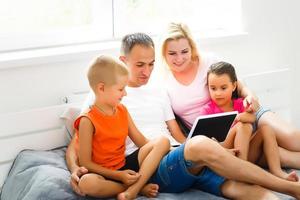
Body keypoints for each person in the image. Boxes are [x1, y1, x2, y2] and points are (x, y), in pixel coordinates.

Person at [67, 33, 300, 200]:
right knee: (198, 146)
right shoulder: (103, 96)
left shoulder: (160, 89)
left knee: (238, 188)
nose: (146, 71)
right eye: (140, 65)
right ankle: (288, 186)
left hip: (180, 157)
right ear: (123, 61)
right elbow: (75, 146)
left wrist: (209, 148)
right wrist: (74, 169)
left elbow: (176, 133)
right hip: (155, 167)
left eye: (151, 64)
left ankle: (281, 194)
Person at [160, 22, 300, 169]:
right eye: (172, 53)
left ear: (192, 48)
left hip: (244, 113)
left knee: (294, 140)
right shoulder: (164, 82)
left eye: (184, 51)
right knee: (282, 156)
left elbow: (238, 84)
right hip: (218, 137)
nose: (179, 58)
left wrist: (251, 96)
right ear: (164, 53)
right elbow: (174, 127)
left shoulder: (208, 61)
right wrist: (189, 148)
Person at [74, 55, 170, 199]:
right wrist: (118, 175)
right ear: (101, 88)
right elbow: (85, 162)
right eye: (120, 89)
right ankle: (138, 188)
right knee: (86, 183)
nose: (125, 93)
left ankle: (133, 189)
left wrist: (169, 150)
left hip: (124, 165)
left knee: (163, 140)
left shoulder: (122, 110)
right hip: (103, 173)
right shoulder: (87, 120)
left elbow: (142, 142)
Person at [202, 61, 298, 181]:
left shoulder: (240, 103)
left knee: (266, 129)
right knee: (243, 126)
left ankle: (277, 171)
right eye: (213, 88)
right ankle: (241, 173)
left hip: (247, 152)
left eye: (223, 88)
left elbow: (252, 118)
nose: (218, 93)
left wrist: (236, 117)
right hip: (226, 153)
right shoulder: (207, 110)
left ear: (234, 86)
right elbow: (206, 140)